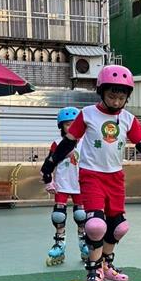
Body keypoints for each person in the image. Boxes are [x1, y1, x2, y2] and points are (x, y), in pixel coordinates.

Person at [40, 65, 141, 281]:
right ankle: (94, 270)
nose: (116, 102)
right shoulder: (87, 114)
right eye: (112, 96)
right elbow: (68, 143)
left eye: (121, 98)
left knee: (119, 228)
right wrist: (49, 165)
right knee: (96, 225)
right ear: (101, 92)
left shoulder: (128, 119)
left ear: (127, 97)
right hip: (91, 176)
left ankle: (106, 265)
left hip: (115, 178)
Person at [44, 107, 89, 266]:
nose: (71, 127)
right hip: (62, 184)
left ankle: (84, 243)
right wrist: (48, 180)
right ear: (61, 126)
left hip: (81, 184)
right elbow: (49, 163)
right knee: (59, 216)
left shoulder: (87, 142)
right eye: (67, 124)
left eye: (74, 124)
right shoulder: (57, 144)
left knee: (81, 215)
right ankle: (59, 245)